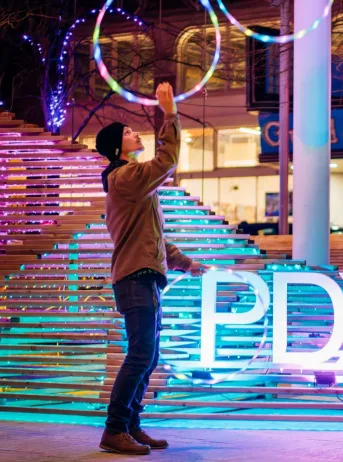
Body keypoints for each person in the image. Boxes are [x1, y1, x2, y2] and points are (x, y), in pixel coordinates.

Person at [95, 83, 207, 454]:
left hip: (144, 279)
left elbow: (153, 239)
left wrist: (186, 263)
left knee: (149, 355)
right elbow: (166, 161)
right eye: (128, 132)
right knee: (141, 353)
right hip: (135, 280)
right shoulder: (125, 178)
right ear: (116, 148)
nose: (135, 133)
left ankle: (130, 425)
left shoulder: (135, 186)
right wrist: (169, 114)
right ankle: (114, 429)